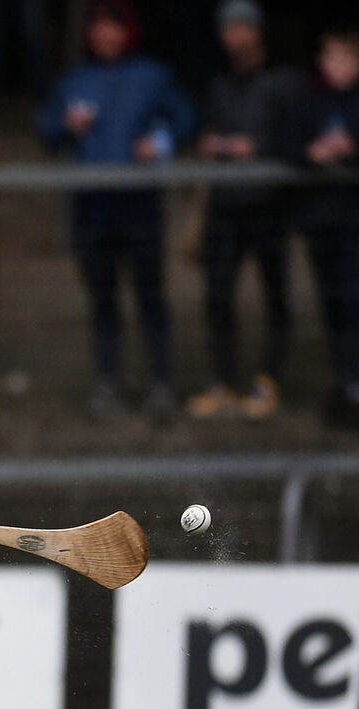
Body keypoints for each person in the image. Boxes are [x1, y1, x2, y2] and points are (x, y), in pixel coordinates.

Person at [37, 0, 196, 424]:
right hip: (92, 207)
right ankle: (107, 384)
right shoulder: (76, 79)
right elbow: (47, 129)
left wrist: (159, 141)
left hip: (140, 204)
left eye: (115, 26)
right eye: (99, 27)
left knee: (151, 297)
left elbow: (185, 119)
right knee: (103, 301)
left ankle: (162, 385)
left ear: (129, 31)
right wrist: (65, 126)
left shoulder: (153, 75)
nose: (106, 35)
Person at [185, 0, 296, 421]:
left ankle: (269, 378)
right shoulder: (220, 84)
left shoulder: (281, 83)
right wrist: (212, 145)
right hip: (225, 205)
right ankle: (223, 380)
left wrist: (259, 149)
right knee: (217, 297)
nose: (235, 37)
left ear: (258, 32)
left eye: (242, 28)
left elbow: (292, 137)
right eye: (228, 29)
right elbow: (209, 128)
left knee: (275, 297)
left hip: (268, 205)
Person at [287, 26, 359, 427]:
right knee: (333, 306)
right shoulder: (309, 101)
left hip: (354, 223)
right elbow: (286, 141)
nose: (337, 67)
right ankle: (346, 382)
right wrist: (308, 151)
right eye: (330, 58)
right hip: (322, 222)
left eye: (345, 58)